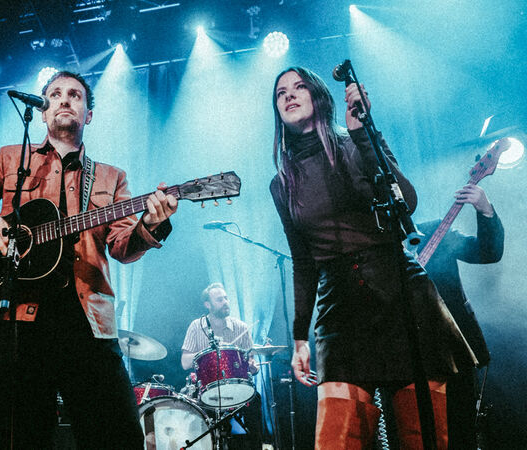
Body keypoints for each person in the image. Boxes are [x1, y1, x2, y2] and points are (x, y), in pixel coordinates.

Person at [0, 71, 178, 449]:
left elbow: (122, 247)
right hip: (20, 322)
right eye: (55, 94)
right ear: (42, 112)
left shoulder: (112, 177)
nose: (64, 100)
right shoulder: (12, 159)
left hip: (88, 322)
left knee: (118, 438)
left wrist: (151, 225)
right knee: (23, 439)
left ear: (88, 114)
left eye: (75, 95)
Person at [268, 66, 475, 449]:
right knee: (338, 438)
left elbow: (406, 201)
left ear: (319, 96)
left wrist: (364, 134)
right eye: (281, 92)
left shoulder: (356, 142)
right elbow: (303, 261)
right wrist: (299, 337)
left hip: (399, 292)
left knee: (422, 436)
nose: (289, 95)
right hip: (339, 307)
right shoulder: (283, 183)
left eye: (299, 87)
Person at [413, 184, 504, 449]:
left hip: (452, 351)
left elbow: (487, 253)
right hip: (405, 357)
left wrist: (484, 209)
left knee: (460, 432)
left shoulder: (432, 231)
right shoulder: (370, 246)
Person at [180, 282, 263, 448]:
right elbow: (184, 362)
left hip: (237, 388)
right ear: (208, 305)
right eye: (219, 300)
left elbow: (252, 364)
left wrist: (254, 368)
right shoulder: (197, 327)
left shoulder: (241, 327)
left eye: (226, 298)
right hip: (206, 389)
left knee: (255, 400)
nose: (225, 302)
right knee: (195, 409)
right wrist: (207, 353)